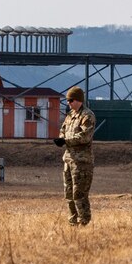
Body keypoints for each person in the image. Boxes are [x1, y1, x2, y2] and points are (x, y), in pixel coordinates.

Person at [55, 85, 98, 225]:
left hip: (82, 162)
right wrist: (61, 138)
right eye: (67, 100)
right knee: (69, 194)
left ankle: (83, 222)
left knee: (79, 194)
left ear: (79, 100)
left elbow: (85, 136)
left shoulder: (87, 116)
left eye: (71, 100)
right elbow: (63, 129)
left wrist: (66, 140)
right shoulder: (70, 116)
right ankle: (73, 222)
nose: (69, 103)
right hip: (69, 160)